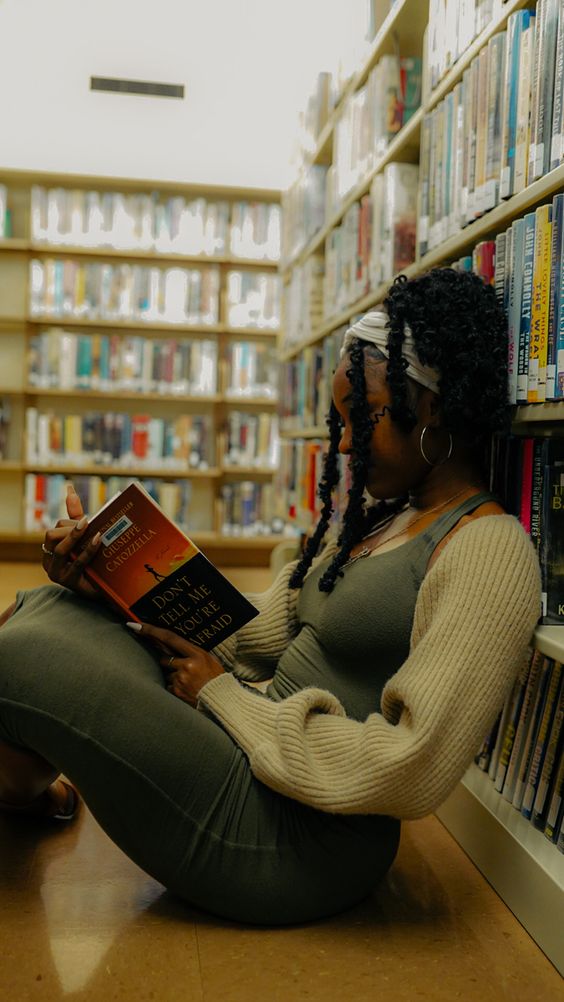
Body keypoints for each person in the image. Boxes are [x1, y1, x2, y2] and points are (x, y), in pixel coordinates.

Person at [0, 268, 541, 925]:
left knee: (20, 660)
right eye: (339, 421)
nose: (344, 444)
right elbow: (243, 636)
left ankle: (23, 792)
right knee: (49, 609)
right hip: (247, 754)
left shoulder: (489, 550)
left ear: (430, 406)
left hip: (296, 837)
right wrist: (113, 582)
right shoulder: (375, 521)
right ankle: (24, 792)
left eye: (361, 418)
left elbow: (414, 764)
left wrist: (223, 698)